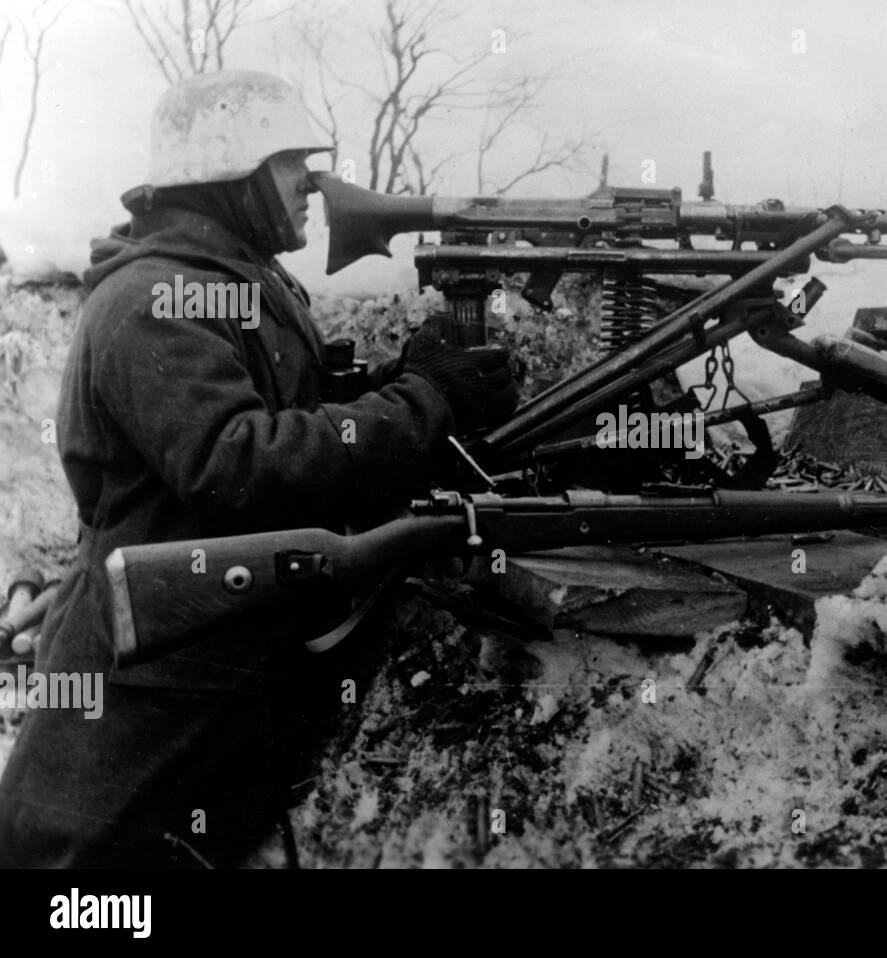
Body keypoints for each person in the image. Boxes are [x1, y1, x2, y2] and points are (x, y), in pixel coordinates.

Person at [0, 70, 518, 867]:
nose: (311, 180)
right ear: (230, 172)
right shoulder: (158, 296)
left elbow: (287, 415)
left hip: (210, 651)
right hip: (155, 670)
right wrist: (423, 401)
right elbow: (238, 463)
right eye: (290, 162)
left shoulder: (232, 284)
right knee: (80, 874)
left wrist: (403, 384)